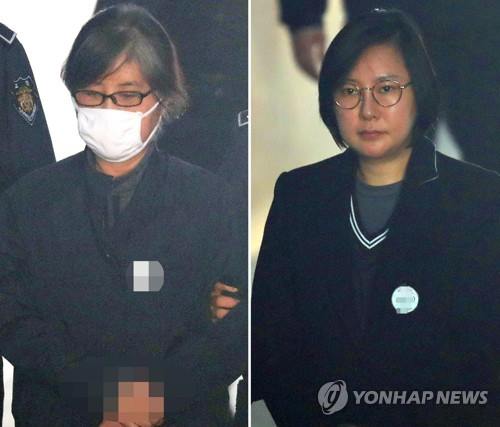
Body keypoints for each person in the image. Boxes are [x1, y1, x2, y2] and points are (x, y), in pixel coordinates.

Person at [0, 5, 246, 426]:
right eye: (92, 94)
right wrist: (104, 395)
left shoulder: (213, 202)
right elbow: (13, 316)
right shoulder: (28, 201)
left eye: (128, 95)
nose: (108, 108)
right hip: (61, 413)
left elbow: (233, 329)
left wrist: (154, 402)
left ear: (163, 99)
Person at [252, 9, 500, 426]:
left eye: (387, 89)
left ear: (420, 92)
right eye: (349, 91)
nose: (368, 110)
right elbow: (270, 343)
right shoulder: (299, 195)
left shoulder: (481, 199)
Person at [279, 0, 500, 172]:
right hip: (387, 15)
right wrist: (304, 17)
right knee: (388, 158)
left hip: (482, 21)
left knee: (490, 142)